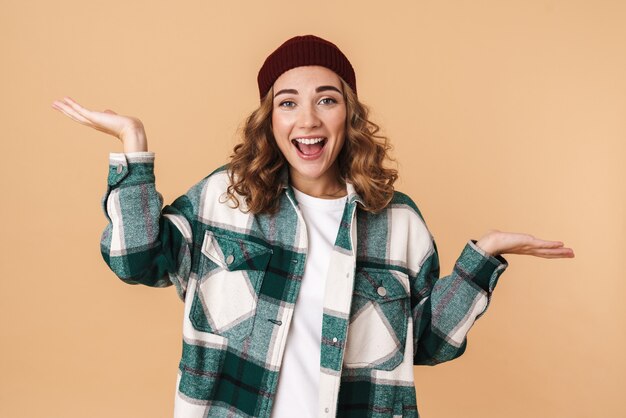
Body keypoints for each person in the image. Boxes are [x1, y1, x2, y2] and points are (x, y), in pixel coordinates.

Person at [52, 35, 574, 418]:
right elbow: (136, 260)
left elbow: (426, 344)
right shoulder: (224, 198)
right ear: (270, 120)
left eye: (326, 99)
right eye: (288, 103)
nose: (307, 120)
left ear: (349, 114)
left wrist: (480, 259)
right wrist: (133, 146)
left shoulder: (397, 223)